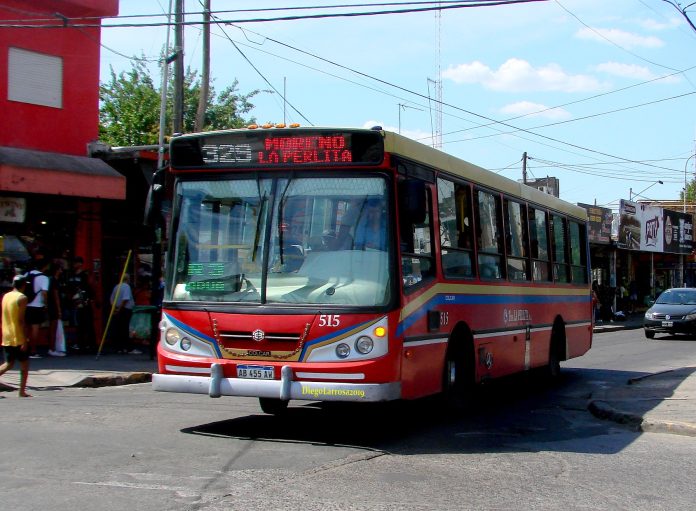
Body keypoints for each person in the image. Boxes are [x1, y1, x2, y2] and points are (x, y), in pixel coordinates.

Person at [0, 275, 32, 397]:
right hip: (18, 336)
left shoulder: (6, 296)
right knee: (24, 363)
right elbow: (20, 321)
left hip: (7, 334)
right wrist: (25, 339)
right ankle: (22, 391)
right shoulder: (22, 298)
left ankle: (22, 391)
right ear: (23, 285)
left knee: (8, 364)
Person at [66, 256, 96, 353]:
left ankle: (91, 345)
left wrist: (91, 299)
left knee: (88, 323)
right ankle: (80, 344)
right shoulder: (70, 275)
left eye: (75, 263)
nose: (74, 265)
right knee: (78, 324)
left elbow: (91, 286)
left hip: (84, 302)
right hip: (74, 302)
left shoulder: (85, 274)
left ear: (80, 264)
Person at [25, 258, 50, 358]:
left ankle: (24, 349)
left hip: (26, 304)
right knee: (35, 328)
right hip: (37, 305)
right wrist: (46, 304)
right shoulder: (44, 277)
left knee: (26, 328)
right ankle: (33, 350)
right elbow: (44, 293)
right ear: (44, 266)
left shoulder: (27, 274)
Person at [109, 273, 139, 354]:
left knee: (119, 328)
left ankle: (119, 348)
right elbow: (125, 299)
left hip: (117, 309)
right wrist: (119, 309)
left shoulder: (116, 287)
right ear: (127, 279)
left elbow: (111, 300)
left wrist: (115, 308)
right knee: (126, 329)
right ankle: (128, 348)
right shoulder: (126, 287)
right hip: (125, 310)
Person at [47, 263, 65, 357]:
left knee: (53, 327)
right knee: (53, 328)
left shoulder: (50, 279)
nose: (61, 271)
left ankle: (53, 347)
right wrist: (59, 310)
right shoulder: (54, 280)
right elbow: (56, 296)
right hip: (53, 307)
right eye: (60, 269)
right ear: (57, 270)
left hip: (51, 306)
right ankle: (52, 348)